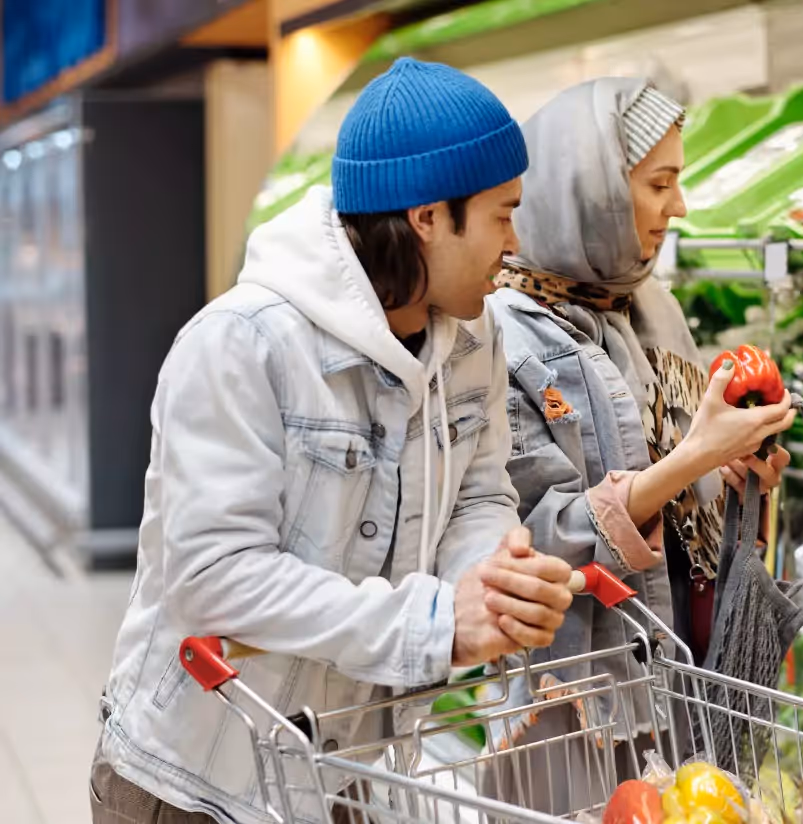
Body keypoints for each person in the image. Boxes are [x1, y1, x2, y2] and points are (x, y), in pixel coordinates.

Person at [90, 59, 576, 824]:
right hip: (200, 782)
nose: (514, 244)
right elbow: (216, 575)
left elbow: (478, 491)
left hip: (345, 770)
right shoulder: (240, 345)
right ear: (427, 217)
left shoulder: (474, 338)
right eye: (501, 214)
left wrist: (493, 577)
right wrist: (436, 625)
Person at [481, 78, 794, 813]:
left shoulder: (646, 306)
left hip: (687, 668)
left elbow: (693, 493)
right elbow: (539, 539)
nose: (677, 208)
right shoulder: (500, 336)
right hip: (582, 698)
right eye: (659, 184)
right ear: (587, 192)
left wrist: (740, 468)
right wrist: (695, 458)